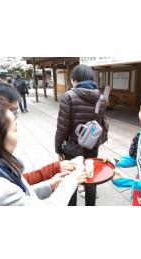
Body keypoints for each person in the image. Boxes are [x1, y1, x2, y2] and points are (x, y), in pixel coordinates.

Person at [0, 96, 87, 206]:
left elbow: (22, 195)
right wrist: (73, 179)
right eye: (15, 129)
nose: (18, 135)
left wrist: (50, 185)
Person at [0, 80, 75, 185]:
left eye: (15, 111)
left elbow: (20, 181)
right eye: (11, 111)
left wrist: (55, 168)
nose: (14, 119)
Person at [55, 64, 107, 206]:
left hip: (72, 147)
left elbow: (62, 127)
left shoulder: (68, 97)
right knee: (91, 176)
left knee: (72, 178)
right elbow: (100, 123)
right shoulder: (101, 98)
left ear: (74, 79)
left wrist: (58, 148)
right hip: (92, 146)